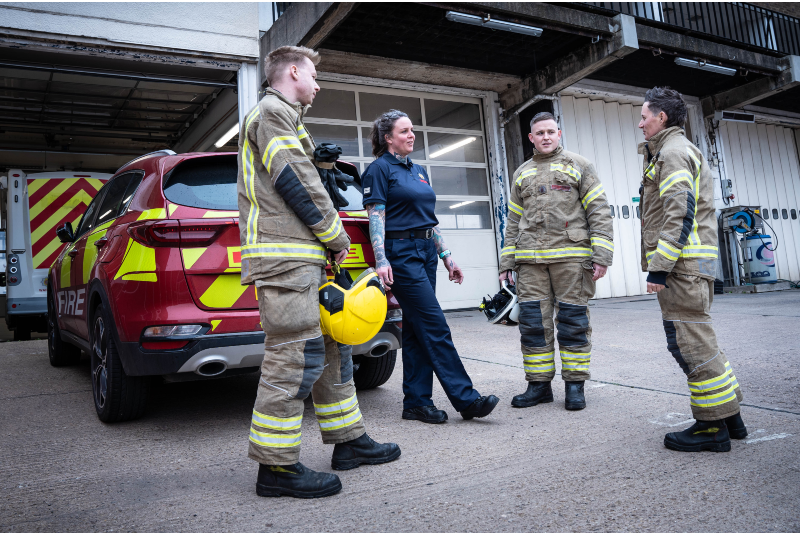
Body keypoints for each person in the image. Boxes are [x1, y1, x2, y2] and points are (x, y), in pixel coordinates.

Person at [237, 45, 400, 499]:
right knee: (293, 359)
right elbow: (294, 180)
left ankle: (349, 443)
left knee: (332, 352)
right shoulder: (271, 112)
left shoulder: (289, 118)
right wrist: (337, 236)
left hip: (303, 262)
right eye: (313, 75)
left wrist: (324, 163)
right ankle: (277, 468)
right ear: (292, 72)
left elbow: (308, 172)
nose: (318, 84)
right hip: (285, 261)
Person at [362, 109, 499, 424]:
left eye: (412, 130)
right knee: (435, 325)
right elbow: (376, 219)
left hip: (425, 251)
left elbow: (429, 219)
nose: (412, 135)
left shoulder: (418, 170)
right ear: (387, 137)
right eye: (404, 131)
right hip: (401, 253)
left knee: (416, 329)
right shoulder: (379, 170)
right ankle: (466, 400)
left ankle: (416, 403)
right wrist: (381, 260)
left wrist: (446, 255)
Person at [638, 87, 747, 452]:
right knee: (701, 341)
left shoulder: (671, 153)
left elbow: (678, 213)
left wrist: (659, 268)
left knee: (688, 344)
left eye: (644, 117)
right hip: (690, 267)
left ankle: (710, 428)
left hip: (681, 269)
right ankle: (730, 417)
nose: (641, 124)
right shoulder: (678, 150)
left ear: (661, 118)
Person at [499, 112, 613, 411]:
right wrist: (506, 263)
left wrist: (601, 256)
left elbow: (599, 212)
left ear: (558, 134)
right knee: (533, 325)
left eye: (551, 131)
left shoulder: (580, 165)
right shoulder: (521, 172)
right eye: (540, 133)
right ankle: (538, 386)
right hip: (530, 261)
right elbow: (512, 220)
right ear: (531, 138)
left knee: (573, 323)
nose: (546, 137)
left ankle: (575, 386)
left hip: (572, 259)